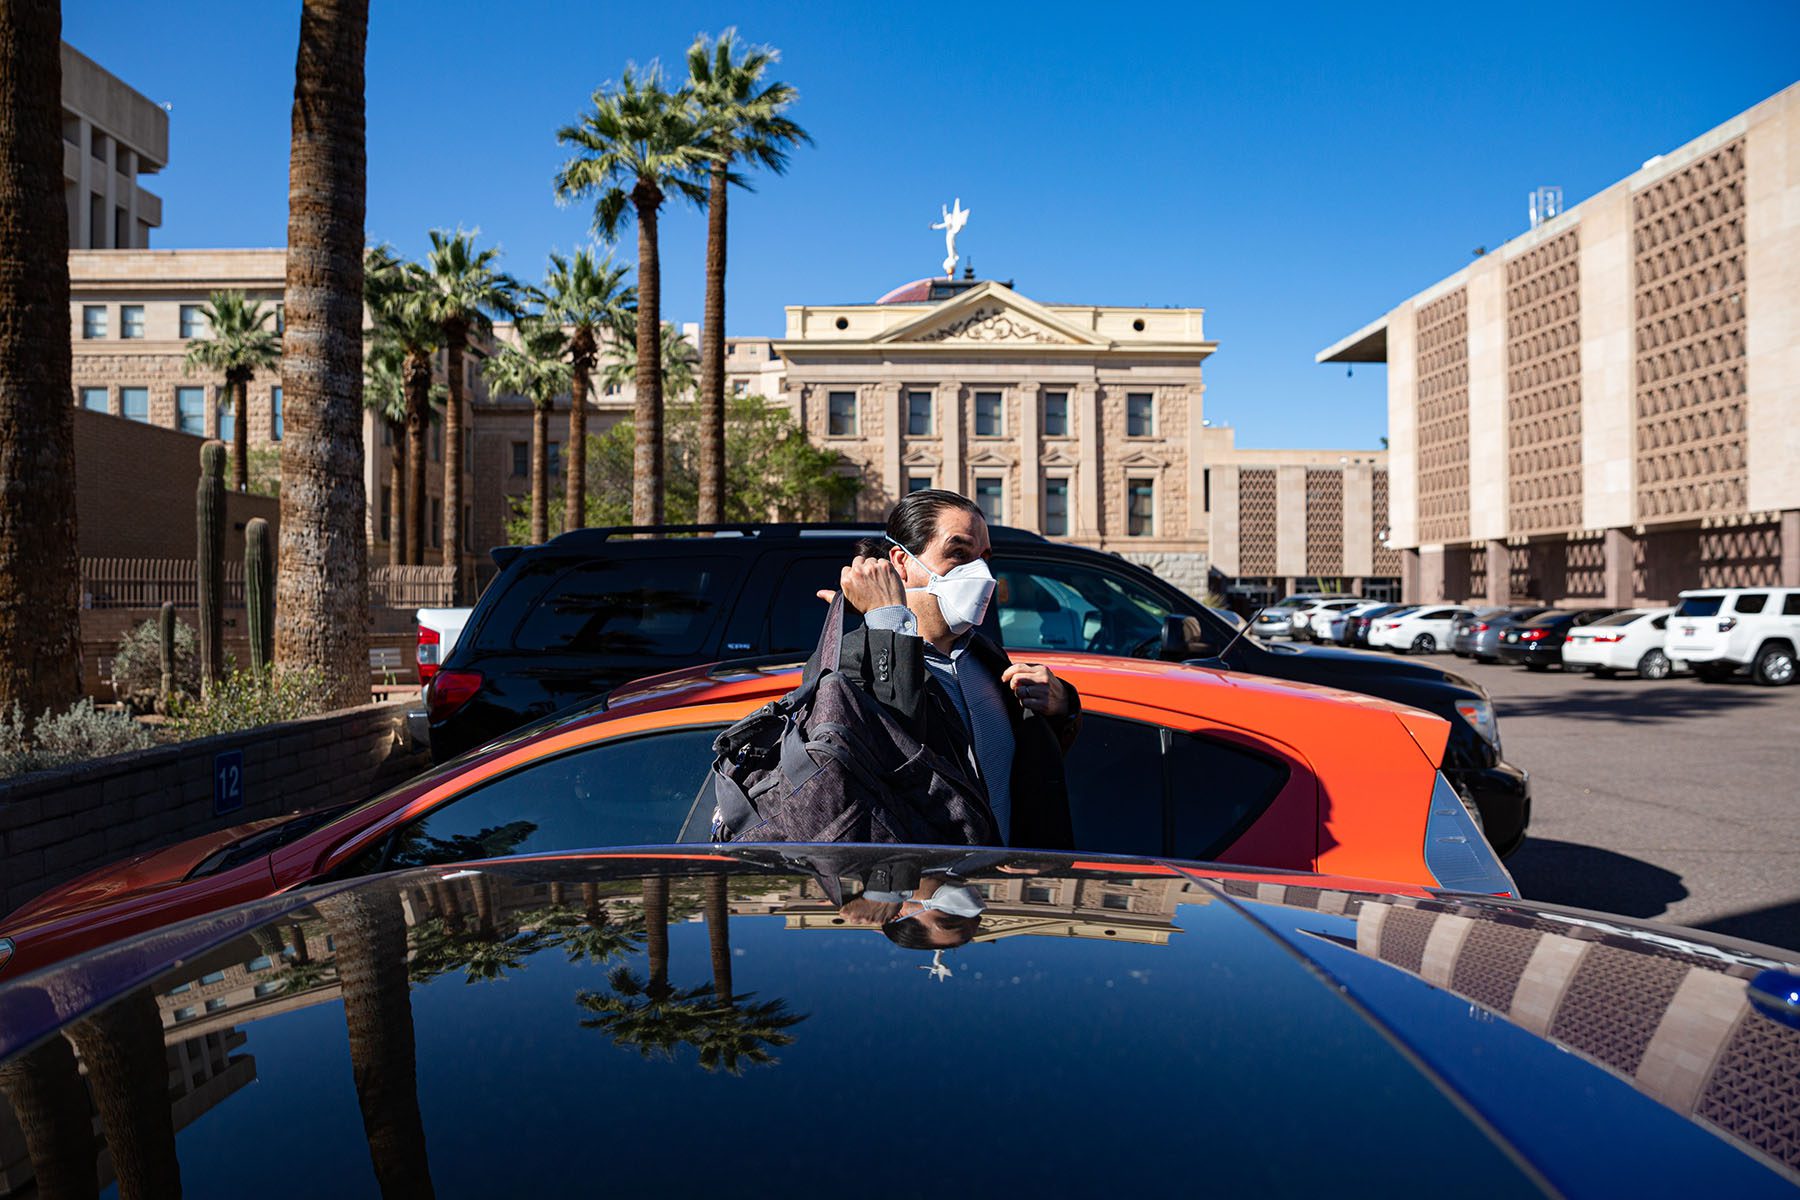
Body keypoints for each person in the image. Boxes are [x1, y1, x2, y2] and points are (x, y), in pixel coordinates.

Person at [821, 488, 1080, 850]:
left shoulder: (986, 658)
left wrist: (1061, 705)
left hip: (1002, 890)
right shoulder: (851, 659)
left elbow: (1020, 777)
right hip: (923, 893)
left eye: (983, 557)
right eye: (958, 553)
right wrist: (888, 622)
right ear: (901, 561)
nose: (979, 572)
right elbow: (894, 752)